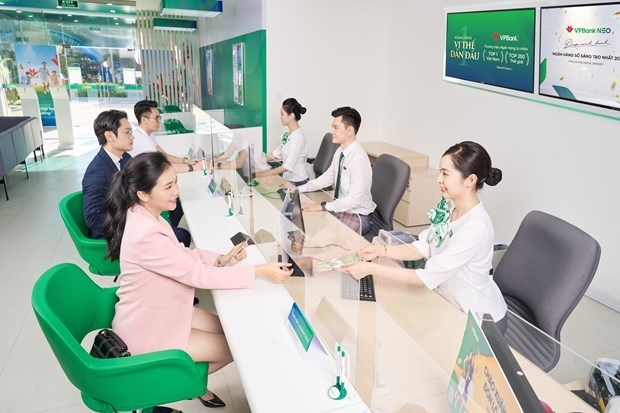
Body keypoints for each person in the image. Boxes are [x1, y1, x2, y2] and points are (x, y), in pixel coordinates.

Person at [103, 151, 292, 408]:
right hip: (149, 328)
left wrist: (220, 260)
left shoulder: (144, 214)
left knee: (230, 328)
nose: (176, 191)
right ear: (143, 193)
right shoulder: (145, 233)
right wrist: (260, 271)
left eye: (175, 182)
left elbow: (181, 254)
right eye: (168, 186)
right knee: (234, 347)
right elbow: (199, 276)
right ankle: (184, 383)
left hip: (162, 310)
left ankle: (190, 381)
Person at [343, 141, 507, 331]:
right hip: (447, 299)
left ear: (470, 180)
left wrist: (371, 269)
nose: (438, 179)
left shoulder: (476, 227)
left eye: (445, 173)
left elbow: (426, 277)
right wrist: (382, 250)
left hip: (476, 318)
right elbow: (424, 246)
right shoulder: (450, 207)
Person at [82, 109, 192, 247]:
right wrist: (136, 222)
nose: (132, 137)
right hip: (115, 234)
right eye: (127, 132)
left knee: (174, 202)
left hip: (135, 216)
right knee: (182, 236)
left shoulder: (124, 157)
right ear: (110, 136)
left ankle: (166, 241)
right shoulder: (97, 173)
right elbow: (93, 218)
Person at [291, 106, 376, 235]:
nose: (331, 131)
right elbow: (328, 177)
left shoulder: (358, 159)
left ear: (349, 130)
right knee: (306, 220)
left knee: (320, 235)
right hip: (342, 210)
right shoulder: (340, 151)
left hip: (358, 217)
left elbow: (354, 199)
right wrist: (298, 189)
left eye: (336, 127)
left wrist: (323, 207)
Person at [255, 98, 309, 186]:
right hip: (287, 178)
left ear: (291, 116)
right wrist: (258, 161)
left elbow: (288, 166)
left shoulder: (298, 138)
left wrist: (264, 174)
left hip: (298, 181)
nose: (280, 117)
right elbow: (277, 152)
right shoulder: (289, 135)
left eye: (282, 114)